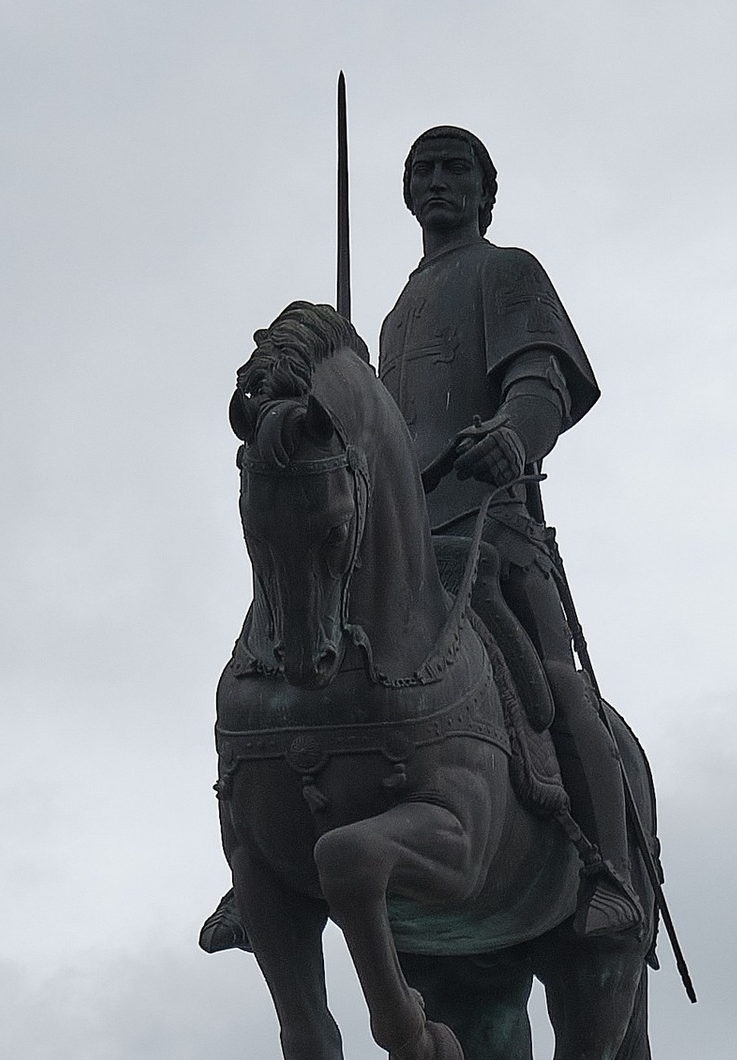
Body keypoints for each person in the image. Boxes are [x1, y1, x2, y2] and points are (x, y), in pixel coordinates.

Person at [202, 123, 641, 955]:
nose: (439, 181)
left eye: (456, 169)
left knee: (552, 679)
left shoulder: (506, 272)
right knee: (284, 637)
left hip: (485, 528)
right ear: (406, 194)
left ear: (484, 191)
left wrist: (517, 433)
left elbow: (540, 378)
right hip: (390, 542)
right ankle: (259, 855)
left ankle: (607, 870)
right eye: (424, 170)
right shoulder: (392, 317)